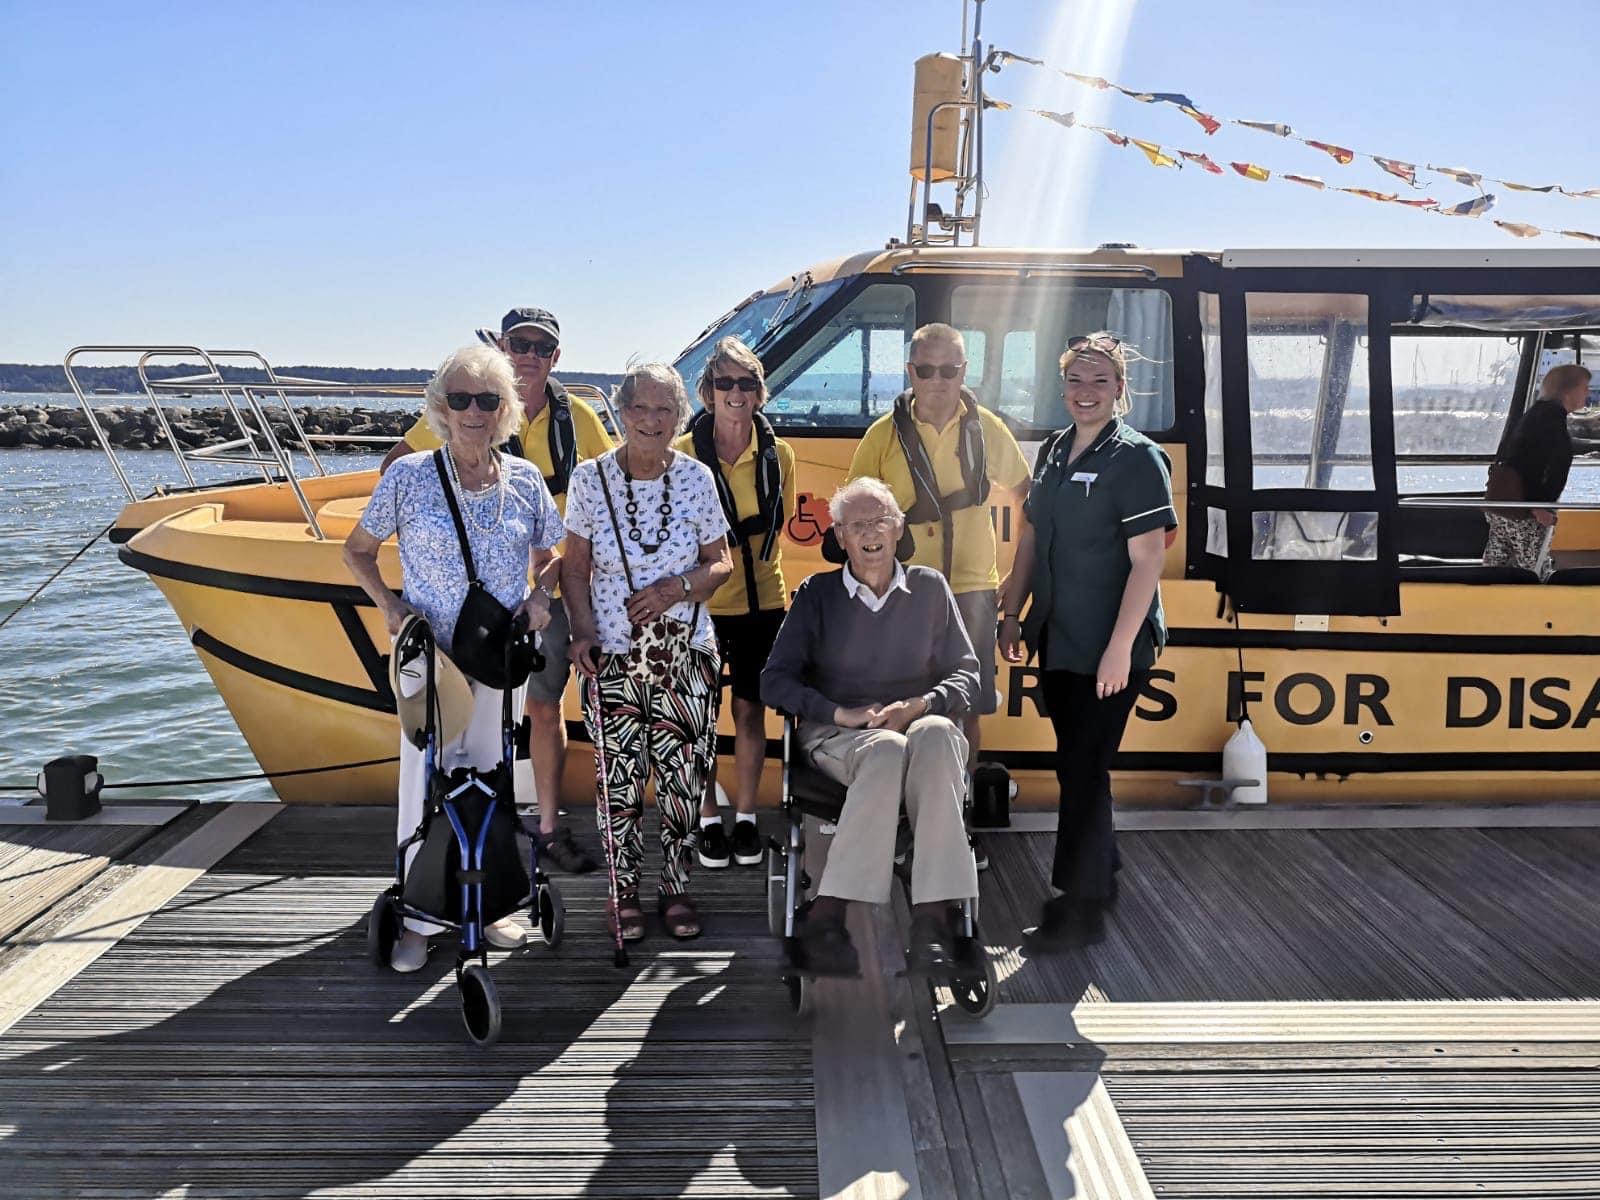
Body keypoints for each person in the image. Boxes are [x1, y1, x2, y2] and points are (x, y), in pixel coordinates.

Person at [345, 343, 565, 971]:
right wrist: (389, 607)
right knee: (425, 784)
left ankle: (488, 904)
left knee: (492, 779)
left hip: (497, 658)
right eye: (461, 398)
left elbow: (552, 555)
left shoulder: (524, 481)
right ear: (441, 407)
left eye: (488, 399)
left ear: (505, 409)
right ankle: (420, 916)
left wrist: (541, 595)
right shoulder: (409, 476)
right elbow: (357, 551)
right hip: (431, 661)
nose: (474, 411)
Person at [382, 307, 613, 873]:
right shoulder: (466, 401)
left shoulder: (578, 417)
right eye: (520, 344)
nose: (530, 355)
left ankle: (546, 828)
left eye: (542, 347)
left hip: (545, 589)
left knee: (543, 708)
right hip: (470, 608)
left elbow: (609, 485)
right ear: (502, 348)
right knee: (447, 736)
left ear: (555, 357)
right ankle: (439, 857)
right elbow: (397, 468)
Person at [998, 332, 1176, 951]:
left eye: (1100, 380)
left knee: (1082, 767)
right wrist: (1012, 612)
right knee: (1080, 761)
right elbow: (1031, 537)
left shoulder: (1138, 459)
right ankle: (1104, 867)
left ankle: (1080, 909)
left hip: (1109, 645)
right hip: (1059, 636)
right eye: (1075, 380)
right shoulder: (1053, 449)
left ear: (1120, 389)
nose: (1086, 391)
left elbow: (1148, 562)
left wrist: (1120, 649)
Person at [761, 477, 980, 977]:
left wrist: (923, 703)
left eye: (880, 520)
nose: (870, 532)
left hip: (915, 724)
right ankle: (827, 917)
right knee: (884, 749)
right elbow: (774, 681)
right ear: (840, 537)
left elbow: (968, 673)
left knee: (939, 735)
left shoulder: (929, 588)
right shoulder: (818, 594)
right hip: (839, 733)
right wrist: (841, 714)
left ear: (898, 528)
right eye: (856, 524)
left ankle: (933, 922)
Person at [845, 323, 1031, 867]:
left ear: (964, 372)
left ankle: (956, 827)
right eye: (926, 370)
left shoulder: (987, 429)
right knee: (900, 706)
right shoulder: (882, 436)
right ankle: (904, 825)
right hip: (899, 590)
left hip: (972, 587)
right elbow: (853, 513)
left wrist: (1014, 587)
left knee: (964, 709)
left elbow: (1029, 497)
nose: (938, 380)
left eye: (949, 369)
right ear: (910, 372)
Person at [562, 363, 733, 941]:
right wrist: (581, 632)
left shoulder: (697, 478)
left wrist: (675, 589)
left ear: (679, 417)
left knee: (684, 780)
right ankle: (625, 891)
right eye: (640, 407)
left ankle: (676, 887)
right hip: (611, 655)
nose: (652, 420)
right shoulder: (590, 480)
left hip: (685, 653)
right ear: (621, 412)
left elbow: (720, 563)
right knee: (619, 783)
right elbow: (575, 569)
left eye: (665, 409)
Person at [672, 337, 797, 870]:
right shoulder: (682, 454)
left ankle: (745, 817)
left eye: (746, 383)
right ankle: (707, 818)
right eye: (724, 383)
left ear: (760, 392)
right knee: (697, 715)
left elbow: (777, 526)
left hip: (762, 601)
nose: (736, 393)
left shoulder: (779, 455)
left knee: (750, 709)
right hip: (701, 603)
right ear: (708, 392)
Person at [1482, 363, 1592, 580]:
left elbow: (1514, 456)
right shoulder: (1550, 420)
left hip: (1505, 505)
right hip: (1526, 512)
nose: (1588, 393)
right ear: (1567, 390)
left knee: (1497, 569)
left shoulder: (1537, 414)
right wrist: (1536, 506)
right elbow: (1529, 462)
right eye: (1584, 387)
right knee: (1534, 571)